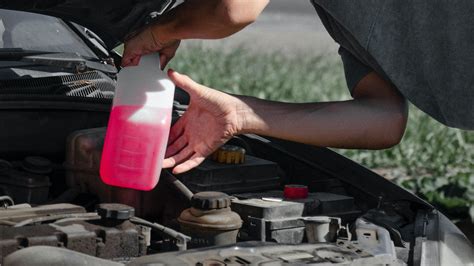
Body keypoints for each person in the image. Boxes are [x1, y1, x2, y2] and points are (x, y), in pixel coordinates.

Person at [122, 0, 473, 175]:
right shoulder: (346, 16)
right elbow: (383, 119)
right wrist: (241, 114)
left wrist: (161, 30)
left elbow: (232, 10)